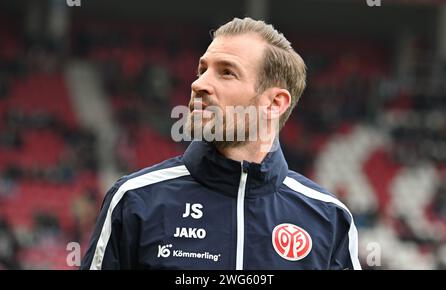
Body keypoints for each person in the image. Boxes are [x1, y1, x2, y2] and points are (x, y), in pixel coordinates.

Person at [80, 17, 361, 270]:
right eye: (202, 69)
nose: (199, 84)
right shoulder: (134, 200)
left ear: (275, 103)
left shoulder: (329, 219)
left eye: (226, 72)